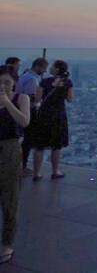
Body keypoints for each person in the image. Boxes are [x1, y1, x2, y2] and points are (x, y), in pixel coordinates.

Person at [0, 65, 30, 264]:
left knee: (10, 199)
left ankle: (7, 244)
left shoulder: (21, 98)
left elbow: (24, 121)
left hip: (9, 151)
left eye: (7, 82)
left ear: (15, 83)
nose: (3, 86)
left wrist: (6, 103)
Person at [30, 59, 73, 181]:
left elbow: (37, 99)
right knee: (56, 145)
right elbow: (70, 99)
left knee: (40, 145)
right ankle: (55, 171)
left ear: (57, 69)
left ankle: (36, 173)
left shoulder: (44, 81)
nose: (50, 68)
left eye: (53, 66)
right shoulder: (68, 82)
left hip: (44, 115)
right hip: (59, 115)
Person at [16, 58, 47, 176]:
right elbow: (31, 98)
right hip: (30, 110)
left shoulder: (24, 75)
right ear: (38, 66)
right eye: (43, 69)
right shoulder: (32, 79)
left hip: (21, 109)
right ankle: (22, 167)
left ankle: (21, 165)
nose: (44, 72)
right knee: (28, 140)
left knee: (25, 139)